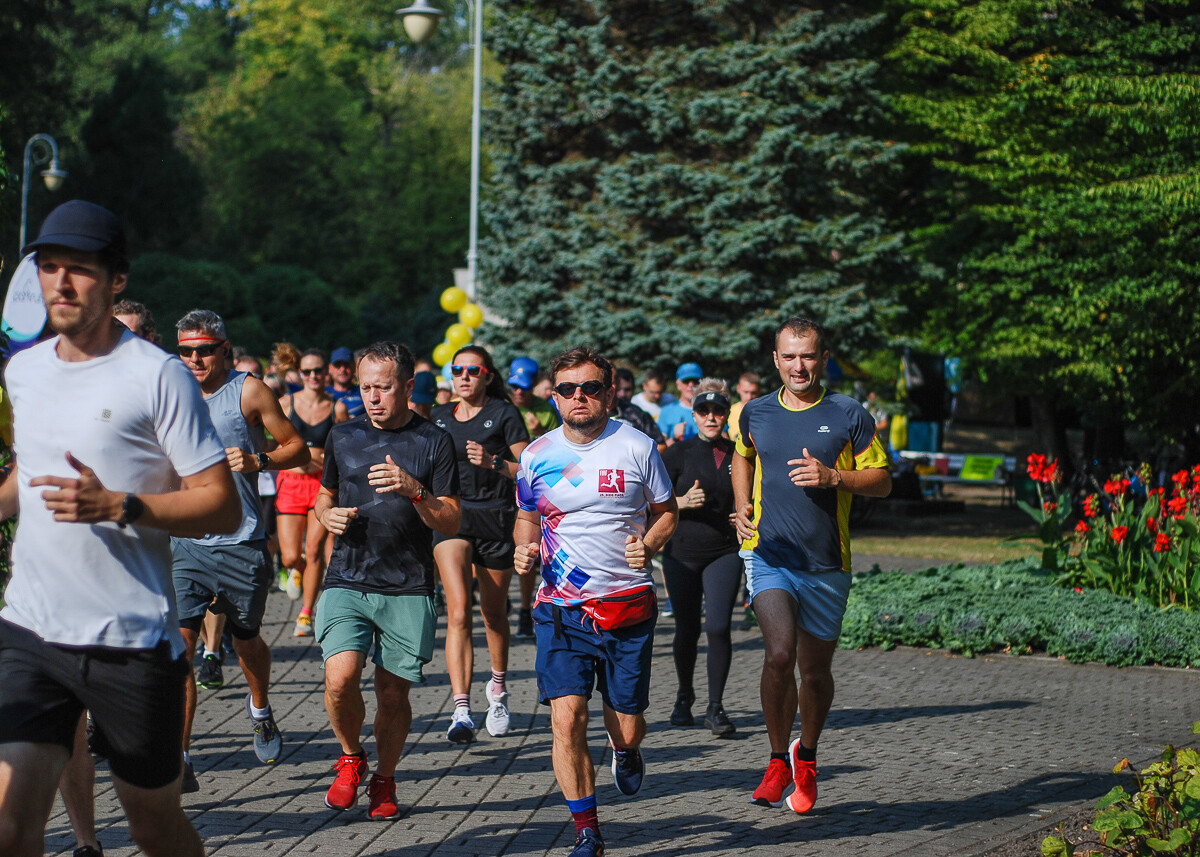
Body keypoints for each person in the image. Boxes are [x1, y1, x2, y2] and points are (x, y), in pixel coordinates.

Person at [0, 200, 240, 857]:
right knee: (9, 824)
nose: (62, 283)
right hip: (31, 627)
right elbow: (31, 473)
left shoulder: (156, 376)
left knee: (151, 825)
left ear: (117, 280)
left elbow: (222, 505)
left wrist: (123, 506)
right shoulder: (24, 370)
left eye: (80, 269)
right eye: (50, 268)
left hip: (129, 640)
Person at [513, 346, 678, 857]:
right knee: (566, 718)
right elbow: (527, 514)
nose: (578, 397)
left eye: (589, 388)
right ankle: (588, 830)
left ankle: (625, 750)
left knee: (624, 721)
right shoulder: (537, 455)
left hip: (625, 604)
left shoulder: (637, 447)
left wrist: (648, 543)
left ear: (609, 392)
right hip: (560, 607)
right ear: (553, 395)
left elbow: (667, 512)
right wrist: (523, 545)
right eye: (567, 388)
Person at [733, 317, 891, 813]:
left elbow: (883, 480)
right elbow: (742, 457)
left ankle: (809, 755)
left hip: (827, 563)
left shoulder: (848, 413)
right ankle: (777, 758)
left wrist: (834, 477)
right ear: (775, 360)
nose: (798, 366)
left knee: (815, 672)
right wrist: (741, 506)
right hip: (769, 554)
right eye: (788, 356)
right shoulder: (754, 412)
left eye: (808, 356)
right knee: (779, 655)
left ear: (823, 359)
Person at [314, 341, 460, 818]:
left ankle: (385, 779)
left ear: (408, 386)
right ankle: (352, 757)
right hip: (348, 576)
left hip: (408, 584)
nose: (372, 397)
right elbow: (324, 496)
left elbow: (452, 520)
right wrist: (327, 516)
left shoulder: (434, 441)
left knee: (393, 693)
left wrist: (414, 490)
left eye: (383, 387)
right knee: (340, 679)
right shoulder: (342, 435)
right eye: (365, 387)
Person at [172, 309, 311, 792]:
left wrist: (258, 459)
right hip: (185, 539)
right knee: (181, 647)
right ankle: (181, 756)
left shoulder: (249, 390)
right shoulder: (170, 391)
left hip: (241, 539)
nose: (194, 359)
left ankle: (260, 709)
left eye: (204, 350)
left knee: (246, 637)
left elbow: (299, 448)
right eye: (186, 351)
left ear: (224, 349)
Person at [431, 345, 530, 742]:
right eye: (458, 370)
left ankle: (499, 690)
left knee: (492, 614)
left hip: (496, 519)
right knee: (457, 612)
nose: (465, 376)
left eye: (474, 370)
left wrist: (494, 464)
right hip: (453, 518)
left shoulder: (504, 414)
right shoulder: (438, 418)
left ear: (488, 375)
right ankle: (461, 710)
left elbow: (528, 470)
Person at [661, 379, 743, 738]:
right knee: (687, 629)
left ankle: (715, 707)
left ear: (726, 415)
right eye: (704, 411)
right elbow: (651, 502)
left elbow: (749, 495)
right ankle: (684, 697)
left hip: (724, 551)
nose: (712, 417)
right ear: (693, 415)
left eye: (718, 411)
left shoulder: (738, 452)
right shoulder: (676, 453)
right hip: (681, 552)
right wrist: (680, 503)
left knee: (719, 628)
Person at [278, 349, 350, 635]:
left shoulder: (338, 408)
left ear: (327, 372)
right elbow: (275, 444)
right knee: (290, 556)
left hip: (323, 485)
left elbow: (344, 450)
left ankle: (307, 612)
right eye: (307, 372)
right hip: (291, 484)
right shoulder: (285, 404)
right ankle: (296, 569)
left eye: (318, 371)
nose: (313, 377)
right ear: (301, 373)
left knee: (314, 549)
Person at [507, 358, 561, 640]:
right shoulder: (503, 408)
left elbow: (557, 451)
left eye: (524, 388)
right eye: (514, 387)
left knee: (528, 550)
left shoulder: (545, 411)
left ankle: (525, 609)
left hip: (533, 491)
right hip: (501, 489)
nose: (519, 393)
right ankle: (501, 598)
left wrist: (538, 432)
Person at [611, 368, 665, 452]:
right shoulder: (595, 414)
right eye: (619, 389)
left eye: (627, 389)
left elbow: (660, 445)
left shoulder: (638, 414)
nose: (622, 394)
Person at [328, 346, 365, 419]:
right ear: (330, 368)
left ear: (354, 367)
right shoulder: (322, 393)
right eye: (338, 365)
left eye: (346, 365)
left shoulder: (364, 392)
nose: (342, 369)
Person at [727, 371, 761, 447]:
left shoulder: (766, 414)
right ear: (738, 388)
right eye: (746, 392)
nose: (749, 397)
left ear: (759, 391)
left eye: (753, 393)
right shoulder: (729, 412)